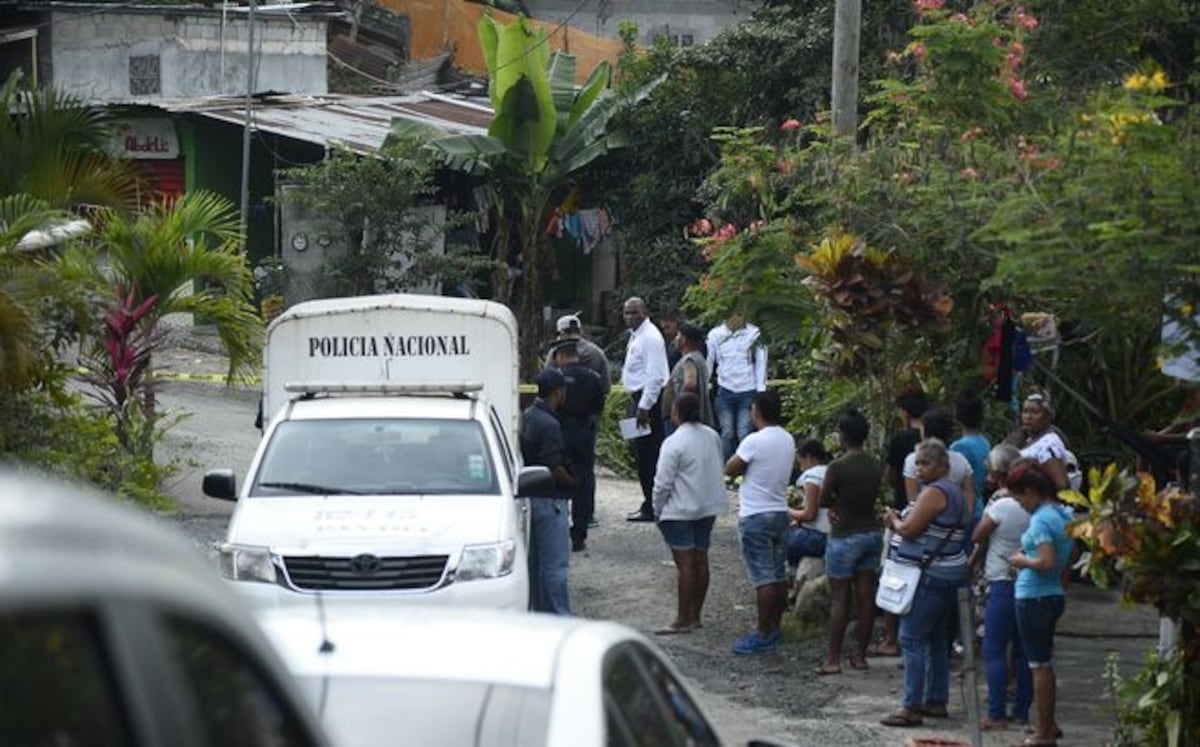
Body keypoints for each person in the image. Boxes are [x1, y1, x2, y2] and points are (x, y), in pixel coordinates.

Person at [880, 438, 971, 728]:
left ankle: (911, 706)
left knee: (912, 638)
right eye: (917, 463)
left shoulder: (934, 493)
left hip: (930, 575)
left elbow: (910, 529)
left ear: (943, 466)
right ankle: (936, 699)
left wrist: (893, 521)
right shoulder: (956, 492)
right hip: (950, 572)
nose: (919, 469)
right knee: (936, 639)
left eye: (926, 463)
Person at [1007, 459, 1074, 746]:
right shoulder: (1063, 513)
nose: (1020, 504)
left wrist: (1021, 559)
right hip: (1052, 593)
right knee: (1045, 661)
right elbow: (1065, 558)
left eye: (1020, 496)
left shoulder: (1041, 519)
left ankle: (1043, 733)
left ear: (1032, 491)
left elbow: (1045, 561)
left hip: (1034, 596)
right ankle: (1047, 722)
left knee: (1039, 665)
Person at [651, 393, 728, 634]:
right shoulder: (712, 436)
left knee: (685, 565)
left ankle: (682, 618)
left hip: (679, 509)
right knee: (701, 560)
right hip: (707, 506)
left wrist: (656, 507)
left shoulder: (674, 442)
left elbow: (663, 482)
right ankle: (695, 614)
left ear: (677, 413)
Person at [726, 390, 794, 655]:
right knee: (777, 573)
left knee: (763, 577)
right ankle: (774, 627)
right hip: (780, 511)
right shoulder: (788, 439)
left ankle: (763, 632)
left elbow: (731, 467)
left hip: (756, 513)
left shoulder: (754, 441)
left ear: (757, 411)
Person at [815, 410, 883, 675]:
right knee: (866, 596)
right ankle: (860, 655)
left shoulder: (838, 466)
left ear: (843, 436)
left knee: (841, 598)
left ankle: (833, 659)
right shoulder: (874, 464)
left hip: (844, 535)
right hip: (870, 533)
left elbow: (822, 500)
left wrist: (834, 504)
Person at [971, 444, 1032, 731]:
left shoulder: (1001, 505)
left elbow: (978, 535)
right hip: (1029, 585)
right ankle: (1021, 710)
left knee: (994, 650)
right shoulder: (1037, 506)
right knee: (1024, 652)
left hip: (1001, 583)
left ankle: (996, 711)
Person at [519, 369, 575, 615]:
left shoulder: (527, 415)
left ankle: (539, 616)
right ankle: (560, 619)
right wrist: (573, 484)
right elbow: (554, 466)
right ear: (558, 391)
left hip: (530, 499)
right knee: (555, 567)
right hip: (551, 500)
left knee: (536, 565)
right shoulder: (550, 424)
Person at [551, 340, 606, 553]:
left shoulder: (556, 378)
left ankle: (556, 531)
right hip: (584, 433)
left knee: (557, 480)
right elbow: (599, 407)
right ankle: (579, 535)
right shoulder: (593, 378)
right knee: (583, 482)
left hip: (559, 433)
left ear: (560, 356)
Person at [620, 297, 671, 522]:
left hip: (647, 402)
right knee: (638, 453)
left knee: (648, 455)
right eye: (627, 313)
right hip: (637, 399)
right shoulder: (637, 336)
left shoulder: (650, 337)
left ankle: (652, 506)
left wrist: (644, 407)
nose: (630, 316)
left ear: (645, 312)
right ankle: (647, 500)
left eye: (634, 312)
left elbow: (656, 376)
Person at [706, 310, 767, 460]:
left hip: (748, 389)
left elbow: (761, 361)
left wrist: (761, 389)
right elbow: (709, 360)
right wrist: (704, 383)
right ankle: (725, 469)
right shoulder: (715, 334)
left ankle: (742, 469)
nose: (742, 317)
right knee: (727, 432)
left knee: (744, 431)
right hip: (725, 388)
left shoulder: (754, 333)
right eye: (738, 314)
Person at [1005, 393, 1074, 491]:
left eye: (1034, 412)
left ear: (1048, 417)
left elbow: (1062, 485)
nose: (1028, 417)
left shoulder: (1049, 443)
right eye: (1025, 411)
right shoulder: (1026, 439)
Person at [661, 322, 714, 436]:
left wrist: (679, 408)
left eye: (678, 336)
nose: (675, 339)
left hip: (681, 421)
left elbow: (690, 383)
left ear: (684, 340)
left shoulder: (689, 360)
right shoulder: (699, 358)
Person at [786, 439, 832, 567]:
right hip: (833, 534)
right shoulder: (830, 470)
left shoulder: (812, 476)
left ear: (809, 457)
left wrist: (787, 511)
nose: (801, 466)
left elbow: (810, 515)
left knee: (781, 537)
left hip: (819, 536)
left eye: (801, 461)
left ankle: (790, 571)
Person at [544, 313, 611, 396]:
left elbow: (546, 381)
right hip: (590, 404)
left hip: (563, 405)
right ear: (580, 331)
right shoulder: (597, 352)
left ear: (562, 333)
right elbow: (606, 387)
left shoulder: (556, 352)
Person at [886, 390, 929, 511]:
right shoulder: (934, 435)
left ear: (905, 413)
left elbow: (890, 475)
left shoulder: (899, 439)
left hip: (904, 503)